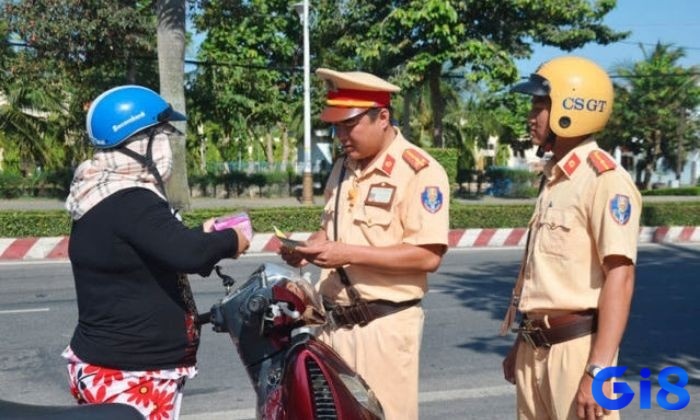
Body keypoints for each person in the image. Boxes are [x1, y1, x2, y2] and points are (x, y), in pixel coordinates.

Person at [63, 85, 249, 419]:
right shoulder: (131, 199)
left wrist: (201, 234)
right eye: (161, 135)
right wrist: (231, 240)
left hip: (114, 364)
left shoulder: (102, 192)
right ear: (138, 142)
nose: (167, 146)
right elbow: (188, 255)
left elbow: (158, 244)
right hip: (131, 373)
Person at [279, 68, 450, 420]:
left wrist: (347, 254)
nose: (341, 135)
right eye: (336, 126)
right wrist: (307, 249)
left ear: (382, 117)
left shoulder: (419, 171)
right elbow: (330, 231)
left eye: (350, 125)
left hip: (382, 330)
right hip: (333, 327)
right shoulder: (343, 168)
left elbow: (428, 256)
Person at [499, 56, 642, 420]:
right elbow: (544, 276)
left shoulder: (604, 180)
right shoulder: (555, 178)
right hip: (536, 348)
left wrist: (598, 371)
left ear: (572, 108)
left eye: (540, 105)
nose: (531, 116)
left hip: (577, 352)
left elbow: (620, 277)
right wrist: (522, 339)